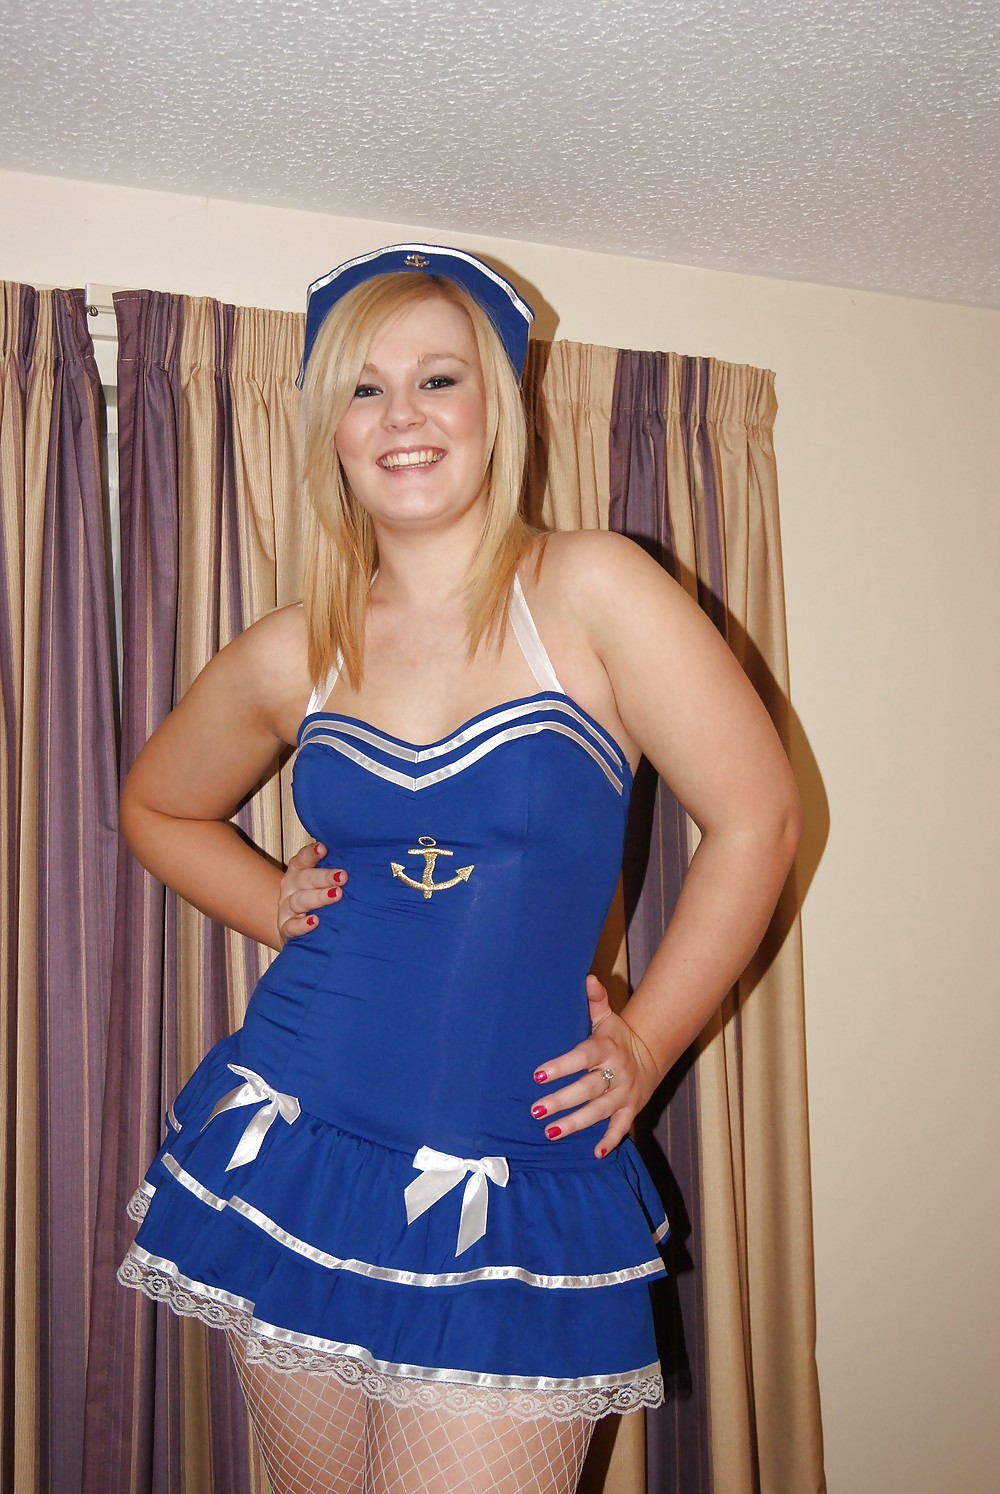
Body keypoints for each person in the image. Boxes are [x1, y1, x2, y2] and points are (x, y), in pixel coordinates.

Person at [118, 244, 800, 1494]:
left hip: (511, 1160)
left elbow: (756, 820)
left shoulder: (593, 589)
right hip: (302, 1138)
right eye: (364, 389)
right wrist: (269, 899)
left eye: (437, 378)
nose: (402, 416)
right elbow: (157, 805)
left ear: (499, 406)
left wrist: (649, 1040)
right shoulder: (296, 650)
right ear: (330, 431)